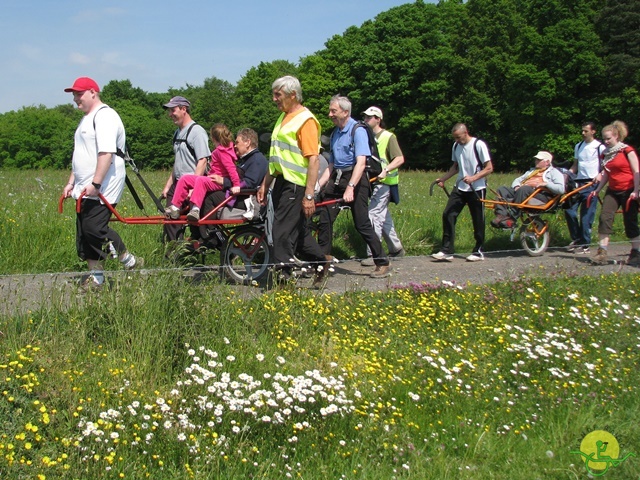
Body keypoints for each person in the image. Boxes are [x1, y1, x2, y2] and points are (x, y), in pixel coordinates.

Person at [61, 77, 142, 288]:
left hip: (103, 185)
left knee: (93, 228)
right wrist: (71, 182)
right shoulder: (85, 119)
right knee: (84, 232)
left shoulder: (105, 116)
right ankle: (97, 278)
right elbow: (80, 155)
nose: (75, 99)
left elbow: (106, 152)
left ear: (92, 92)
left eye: (79, 94)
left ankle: (127, 259)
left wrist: (96, 184)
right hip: (84, 186)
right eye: (74, 95)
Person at [256, 76, 328, 284]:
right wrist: (265, 184)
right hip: (282, 182)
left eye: (278, 95)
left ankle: (284, 280)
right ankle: (321, 263)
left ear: (293, 95)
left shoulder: (305, 120)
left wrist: (308, 195)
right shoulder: (284, 117)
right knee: (298, 232)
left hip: (296, 185)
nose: (274, 99)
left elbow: (313, 160)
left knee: (280, 232)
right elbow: (277, 158)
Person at [320, 95, 390, 278]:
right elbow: (331, 165)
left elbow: (360, 162)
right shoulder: (335, 133)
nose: (330, 114)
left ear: (345, 112)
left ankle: (382, 262)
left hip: (357, 179)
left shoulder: (357, 130)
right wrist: (318, 186)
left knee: (362, 223)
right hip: (338, 178)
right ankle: (321, 265)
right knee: (325, 220)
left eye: (333, 111)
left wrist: (351, 187)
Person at [432, 123, 493, 262]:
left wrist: (473, 178)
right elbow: (456, 167)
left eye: (459, 137)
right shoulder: (456, 146)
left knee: (478, 219)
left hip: (477, 188)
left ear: (466, 133)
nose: (457, 141)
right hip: (460, 187)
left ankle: (478, 251)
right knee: (448, 214)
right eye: (455, 138)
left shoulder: (479, 145)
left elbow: (489, 168)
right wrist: (443, 179)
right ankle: (447, 250)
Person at [165, 123, 240, 222]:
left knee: (201, 180)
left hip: (218, 182)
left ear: (213, 138)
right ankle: (175, 207)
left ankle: (195, 209)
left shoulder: (223, 152)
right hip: (211, 179)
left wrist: (236, 184)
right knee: (185, 178)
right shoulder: (219, 150)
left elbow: (231, 169)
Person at [589, 121, 640, 266]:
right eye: (604, 139)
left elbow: (636, 172)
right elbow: (606, 173)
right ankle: (602, 252)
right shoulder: (606, 154)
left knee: (630, 221)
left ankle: (636, 252)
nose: (605, 141)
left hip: (628, 189)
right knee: (605, 217)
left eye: (608, 139)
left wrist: (636, 190)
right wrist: (598, 189)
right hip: (613, 190)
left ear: (616, 136)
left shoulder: (627, 150)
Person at [360, 106, 405, 266]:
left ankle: (373, 254)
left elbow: (399, 158)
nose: (366, 120)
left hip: (385, 182)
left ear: (378, 119)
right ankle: (396, 248)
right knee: (383, 216)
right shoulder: (366, 136)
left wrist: (386, 170)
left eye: (369, 117)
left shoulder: (388, 136)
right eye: (365, 117)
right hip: (372, 182)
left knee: (373, 215)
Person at [161, 96, 210, 242]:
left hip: (192, 184)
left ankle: (197, 250)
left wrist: (194, 187)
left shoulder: (197, 132)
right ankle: (174, 256)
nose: (170, 114)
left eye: (173, 110)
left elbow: (203, 160)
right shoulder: (177, 133)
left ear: (184, 109)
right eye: (169, 111)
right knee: (170, 219)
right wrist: (168, 185)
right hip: (177, 184)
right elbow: (178, 161)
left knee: (196, 223)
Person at [491, 151, 565, 227]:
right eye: (536, 159)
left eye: (539, 160)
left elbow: (561, 189)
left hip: (540, 195)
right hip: (524, 191)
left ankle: (512, 218)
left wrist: (546, 184)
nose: (536, 161)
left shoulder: (554, 172)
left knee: (524, 189)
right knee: (502, 189)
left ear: (547, 162)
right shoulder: (531, 171)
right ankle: (501, 215)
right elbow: (517, 180)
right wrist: (516, 186)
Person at [564, 122, 604, 254]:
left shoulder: (600, 147)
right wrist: (568, 175)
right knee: (569, 209)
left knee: (586, 215)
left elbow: (606, 166)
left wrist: (600, 174)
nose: (583, 133)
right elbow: (576, 165)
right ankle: (577, 239)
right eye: (582, 131)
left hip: (592, 183)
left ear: (593, 132)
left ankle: (585, 243)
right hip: (578, 183)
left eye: (586, 131)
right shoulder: (579, 146)